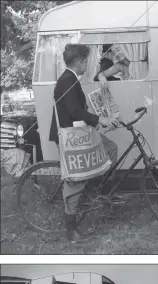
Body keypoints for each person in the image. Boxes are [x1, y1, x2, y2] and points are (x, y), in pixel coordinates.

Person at [49, 43, 119, 242]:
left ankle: (90, 194)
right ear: (79, 62)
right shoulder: (67, 80)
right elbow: (74, 112)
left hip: (81, 132)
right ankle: (71, 229)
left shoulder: (71, 79)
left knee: (110, 149)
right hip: (71, 137)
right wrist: (99, 120)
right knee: (75, 181)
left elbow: (78, 110)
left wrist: (97, 118)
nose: (87, 65)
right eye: (86, 61)